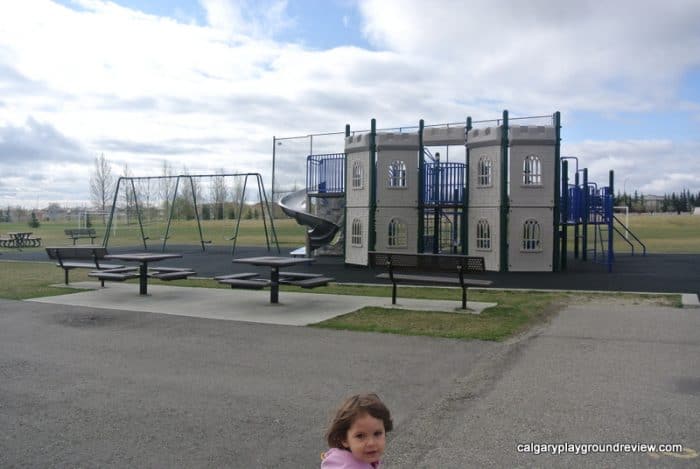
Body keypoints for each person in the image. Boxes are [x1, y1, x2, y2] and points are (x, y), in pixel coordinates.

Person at [321, 393, 393, 469]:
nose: (371, 443)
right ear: (344, 439)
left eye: (377, 433)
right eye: (360, 436)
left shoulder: (342, 457)